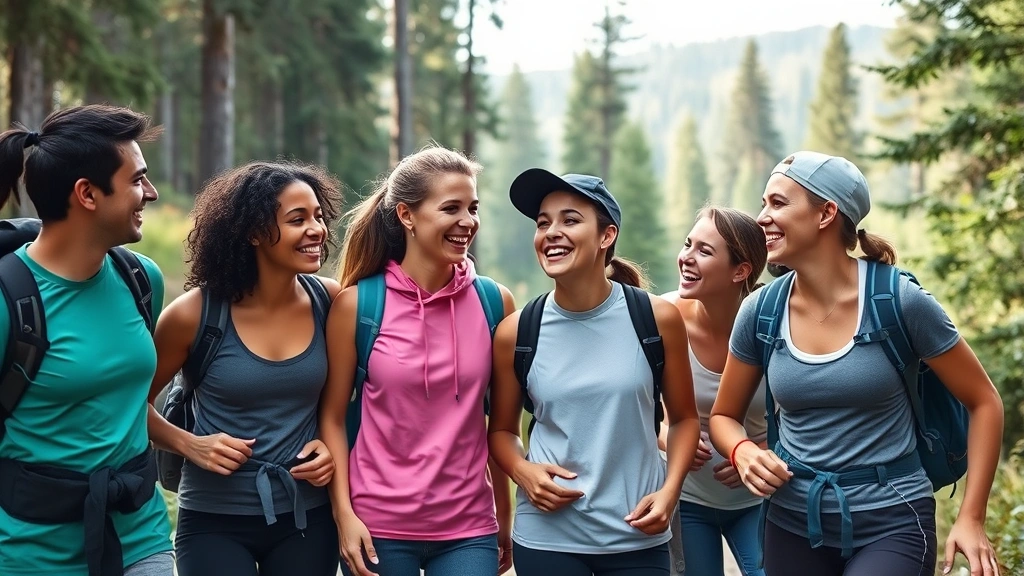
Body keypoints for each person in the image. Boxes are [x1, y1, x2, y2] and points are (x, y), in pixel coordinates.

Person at [710, 151, 1004, 576]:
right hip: (792, 522)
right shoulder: (762, 310)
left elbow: (984, 401)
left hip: (895, 519)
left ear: (826, 213)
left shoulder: (899, 301)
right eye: (763, 204)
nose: (761, 218)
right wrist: (742, 453)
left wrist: (971, 518)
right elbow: (723, 416)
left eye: (778, 203)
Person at [488, 169, 701, 576]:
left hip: (636, 535)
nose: (551, 232)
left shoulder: (656, 319)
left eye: (570, 220)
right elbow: (501, 431)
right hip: (547, 539)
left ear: (606, 236)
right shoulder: (517, 331)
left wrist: (670, 492)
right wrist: (523, 471)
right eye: (543, 222)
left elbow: (685, 420)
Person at [320, 147, 516, 576]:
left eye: (473, 208)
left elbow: (496, 422)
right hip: (378, 526)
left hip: (468, 528)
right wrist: (343, 514)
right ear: (407, 216)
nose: (468, 222)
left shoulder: (493, 302)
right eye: (451, 208)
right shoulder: (359, 306)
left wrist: (504, 515)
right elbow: (332, 418)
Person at [146, 161, 344, 576]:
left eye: (318, 217)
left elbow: (345, 404)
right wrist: (188, 444)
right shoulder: (193, 315)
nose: (317, 230)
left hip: (306, 515)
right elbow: (127, 405)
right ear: (253, 234)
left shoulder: (331, 302)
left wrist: (330, 449)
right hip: (213, 520)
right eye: (297, 219)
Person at [0, 105, 174, 575]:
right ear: (87, 194)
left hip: (142, 535)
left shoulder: (142, 280)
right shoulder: (7, 299)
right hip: (31, 552)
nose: (151, 193)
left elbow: (127, 398)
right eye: (138, 180)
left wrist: (189, 443)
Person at [660, 206, 768, 576]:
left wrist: (759, 453)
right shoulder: (662, 317)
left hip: (759, 499)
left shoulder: (771, 324)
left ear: (741, 271)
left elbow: (807, 413)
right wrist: (668, 439)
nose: (686, 258)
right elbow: (636, 409)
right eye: (688, 244)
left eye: (704, 251)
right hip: (686, 499)